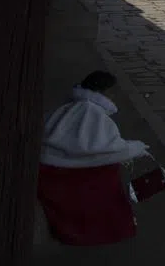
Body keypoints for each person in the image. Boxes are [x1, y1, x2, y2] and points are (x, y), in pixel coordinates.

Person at [38, 71, 150, 245]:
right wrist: (137, 147)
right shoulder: (95, 115)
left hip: (49, 171)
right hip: (84, 177)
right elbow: (110, 150)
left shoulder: (65, 109)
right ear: (105, 92)